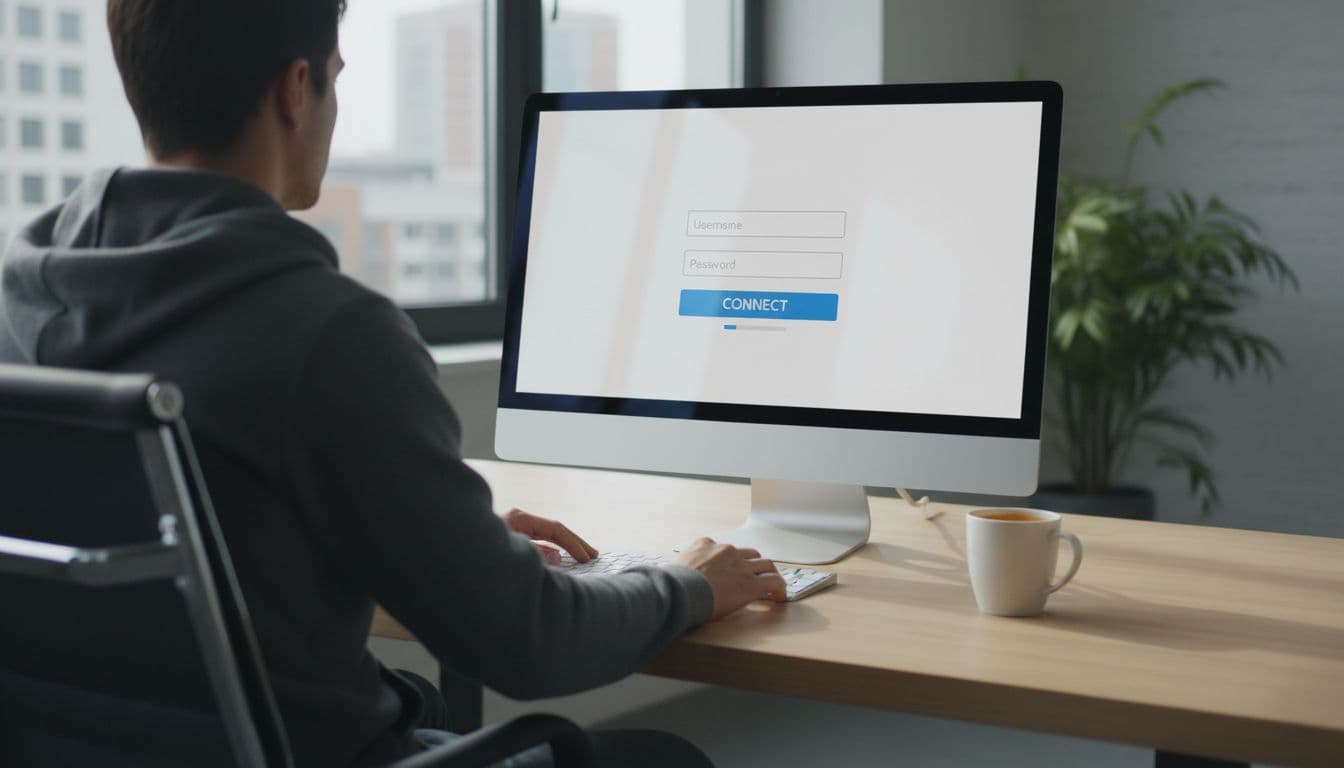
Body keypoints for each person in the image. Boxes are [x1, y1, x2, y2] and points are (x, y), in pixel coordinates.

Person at [0, 1, 788, 766]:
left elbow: (198, 551)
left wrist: (438, 538)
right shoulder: (325, 332)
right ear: (296, 88)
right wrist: (684, 584)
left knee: (420, 699)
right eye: (336, 81)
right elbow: (529, 644)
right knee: (658, 757)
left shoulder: (22, 304)